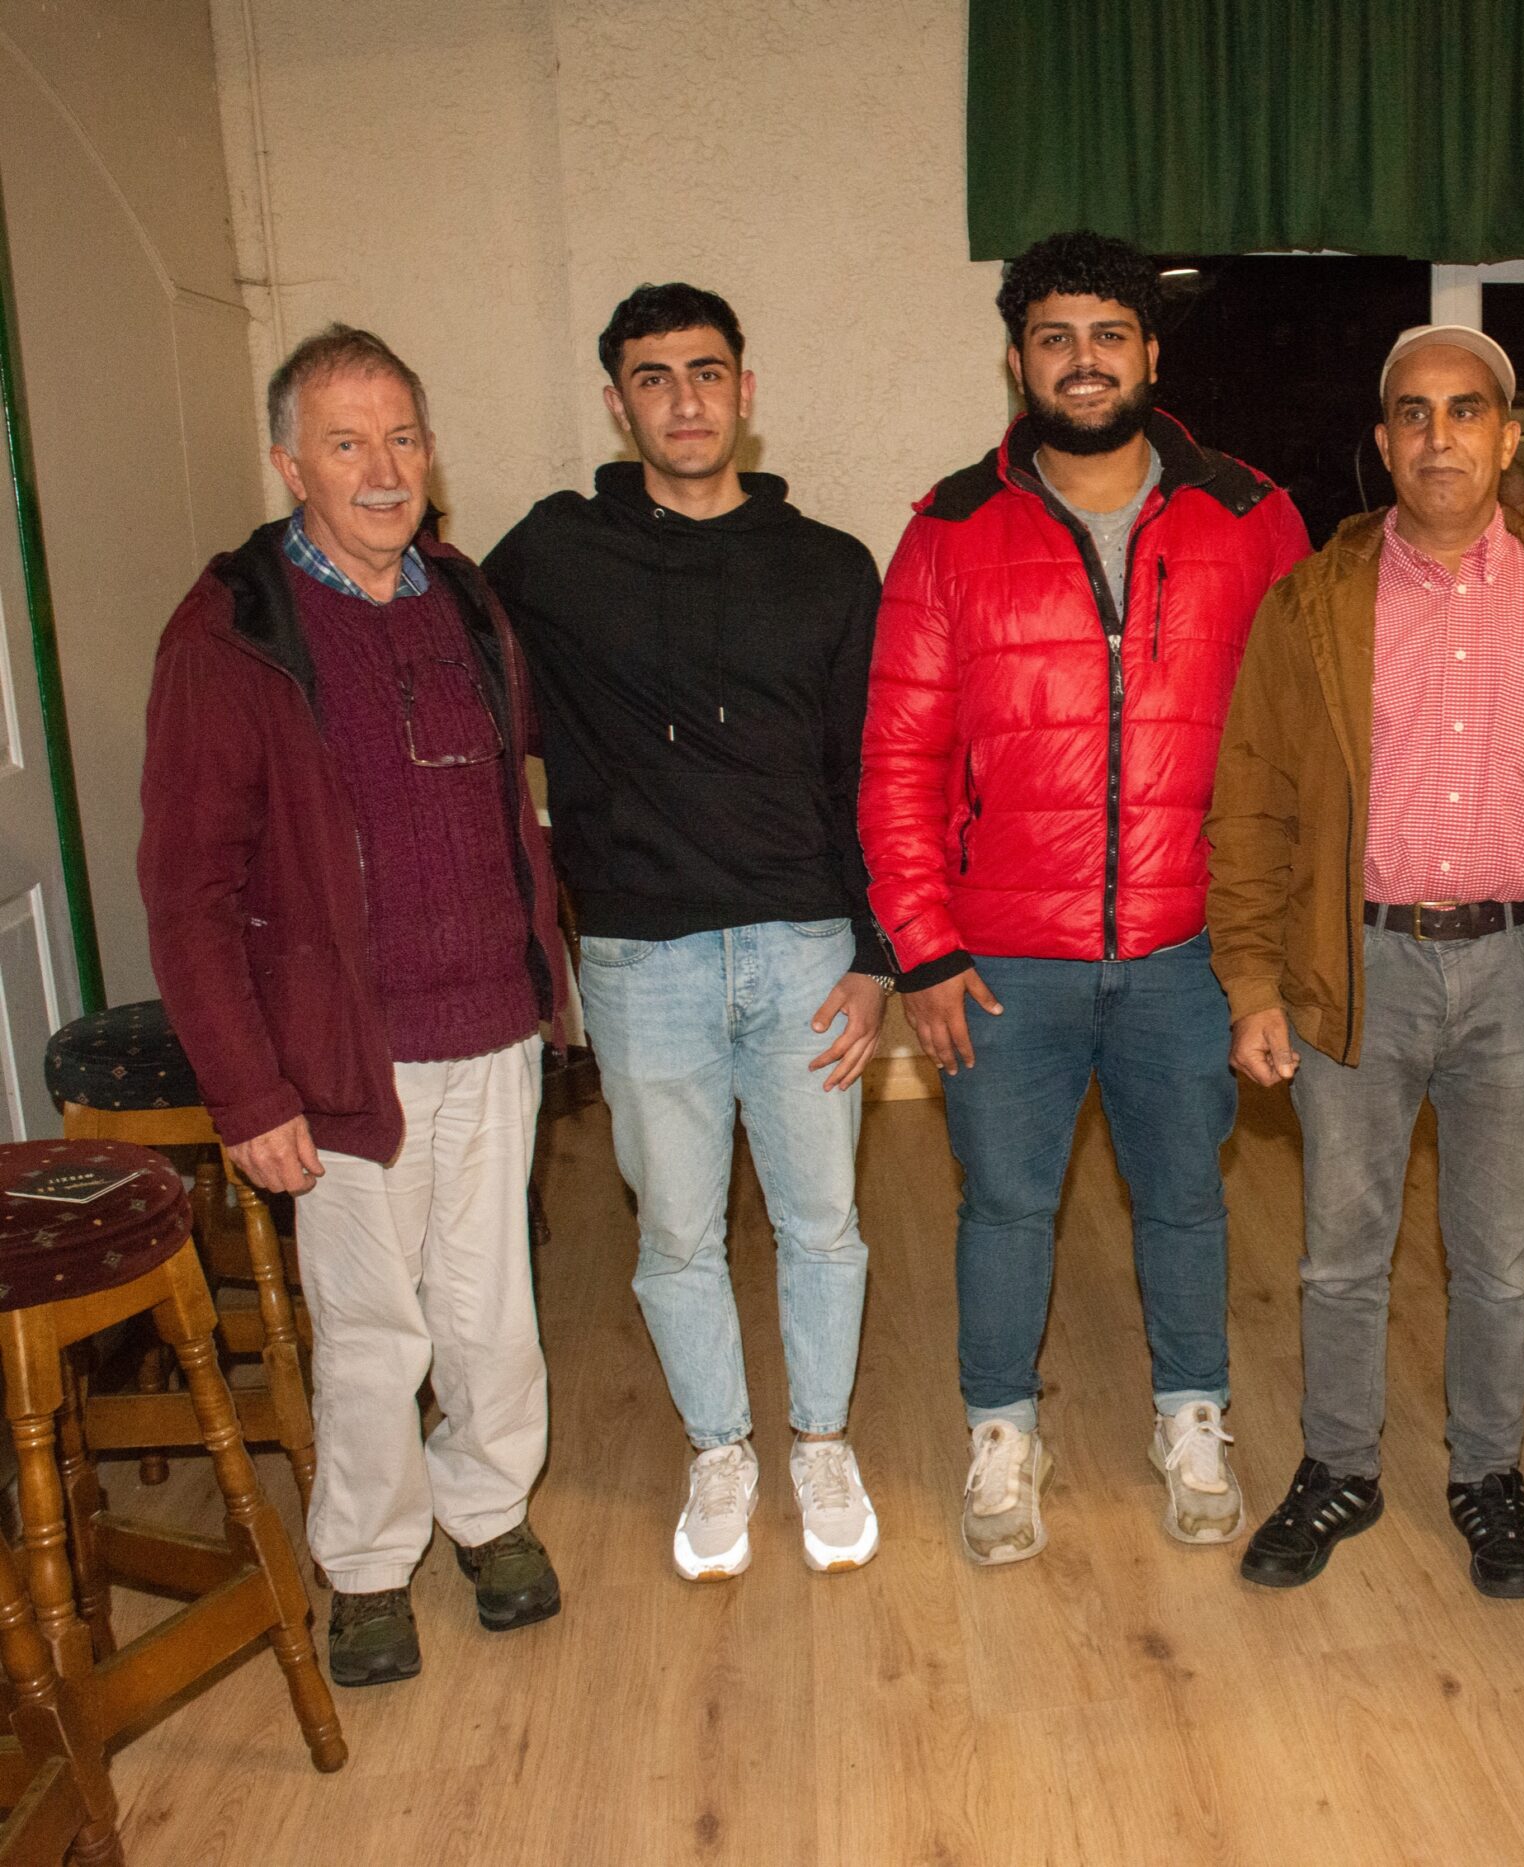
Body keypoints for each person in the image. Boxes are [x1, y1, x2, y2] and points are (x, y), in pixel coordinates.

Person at [861, 231, 1308, 1566]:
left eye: (1109, 335)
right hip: (1003, 959)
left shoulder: (1250, 516)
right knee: (1003, 1205)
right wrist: (923, 948)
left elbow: (1302, 748)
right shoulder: (949, 529)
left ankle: (1192, 1414)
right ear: (1017, 360)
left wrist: (1270, 952)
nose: (1084, 360)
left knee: (1185, 1198)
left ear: (1150, 353)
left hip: (1188, 947)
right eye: (1054, 338)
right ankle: (1002, 1430)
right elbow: (898, 757)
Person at [139, 325, 570, 1688]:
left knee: (492, 1309)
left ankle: (489, 1509)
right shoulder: (231, 634)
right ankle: (371, 1564)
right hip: (344, 1055)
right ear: (289, 465)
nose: (382, 469)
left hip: (491, 1028)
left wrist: (548, 979)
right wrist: (247, 1090)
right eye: (345, 443)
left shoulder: (467, 597)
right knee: (376, 1329)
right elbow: (188, 890)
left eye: (402, 437)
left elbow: (511, 794)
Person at [1208, 324, 1524, 1599]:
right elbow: (1251, 802)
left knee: (1499, 1259)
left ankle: (1488, 1473)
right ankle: (1339, 1463)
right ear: (1384, 440)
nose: (1437, 435)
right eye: (1412, 412)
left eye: (1465, 411)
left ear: (1508, 440)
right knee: (1341, 1253)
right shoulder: (1312, 604)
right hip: (1357, 969)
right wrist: (1252, 982)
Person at [483, 283, 892, 1583]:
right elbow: (434, 638)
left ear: (744, 391)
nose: (685, 400)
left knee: (822, 1220)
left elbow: (870, 772)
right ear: (619, 404)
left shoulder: (829, 567)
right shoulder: (555, 554)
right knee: (675, 1231)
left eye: (705, 372)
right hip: (641, 958)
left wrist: (879, 954)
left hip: (807, 946)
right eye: (653, 378)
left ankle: (821, 1439)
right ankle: (721, 1447)